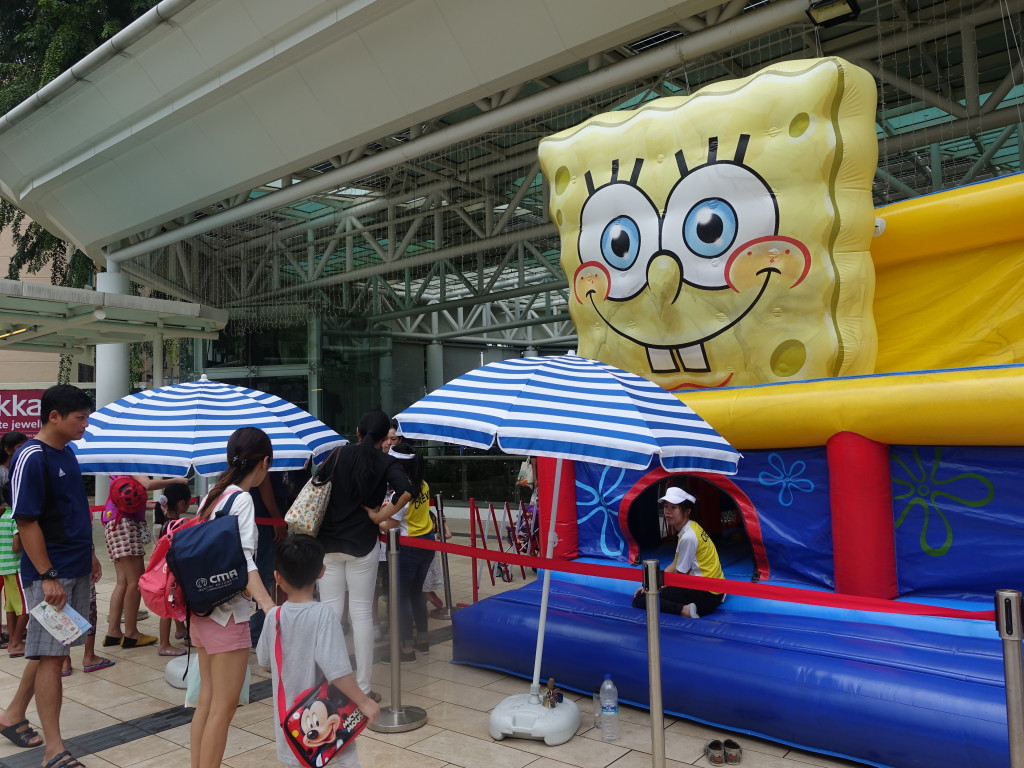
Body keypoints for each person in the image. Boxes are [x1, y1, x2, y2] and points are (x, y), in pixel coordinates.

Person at [1, 385, 101, 768]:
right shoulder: (31, 456)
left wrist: (90, 554)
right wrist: (47, 575)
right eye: (80, 418)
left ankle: (12, 715)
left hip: (73, 566)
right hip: (51, 575)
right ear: (54, 416)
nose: (85, 424)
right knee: (50, 656)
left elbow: (74, 509)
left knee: (51, 650)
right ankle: (54, 750)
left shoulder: (68, 453)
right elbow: (25, 521)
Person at [189, 427, 276, 768]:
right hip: (228, 616)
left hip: (202, 611)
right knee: (222, 710)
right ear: (265, 463)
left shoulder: (216, 493)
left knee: (207, 704)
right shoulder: (241, 498)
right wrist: (269, 606)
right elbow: (245, 562)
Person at [256, 534, 380, 768]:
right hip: (328, 732)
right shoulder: (323, 615)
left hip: (292, 730)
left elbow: (264, 661)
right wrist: (363, 701)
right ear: (322, 572)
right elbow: (337, 672)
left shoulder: (275, 616)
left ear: (277, 577)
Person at [316, 410, 413, 701]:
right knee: (360, 616)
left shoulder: (336, 455)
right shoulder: (386, 461)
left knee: (330, 614)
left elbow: (317, 484)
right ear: (386, 439)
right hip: (362, 545)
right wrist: (380, 515)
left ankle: (331, 684)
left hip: (328, 544)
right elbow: (407, 489)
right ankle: (363, 687)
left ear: (357, 432)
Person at [103, 474, 187, 649]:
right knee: (135, 582)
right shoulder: (132, 462)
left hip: (112, 521)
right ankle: (131, 633)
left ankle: (114, 632)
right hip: (125, 523)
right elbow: (147, 484)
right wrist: (174, 481)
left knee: (123, 582)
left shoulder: (117, 469)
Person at [632, 487, 725, 618]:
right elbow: (675, 564)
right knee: (648, 594)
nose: (668, 512)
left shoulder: (688, 537)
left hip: (707, 594)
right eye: (665, 507)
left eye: (673, 508)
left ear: (687, 511)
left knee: (641, 600)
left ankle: (684, 610)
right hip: (714, 588)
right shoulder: (691, 527)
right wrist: (650, 585)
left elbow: (680, 576)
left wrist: (655, 588)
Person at [380, 442, 434, 663]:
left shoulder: (401, 493)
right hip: (427, 543)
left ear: (398, 467)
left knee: (400, 598)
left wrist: (376, 518)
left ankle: (405, 649)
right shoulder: (423, 484)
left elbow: (389, 526)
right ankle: (422, 641)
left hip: (409, 546)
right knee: (416, 593)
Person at [153, 483, 191, 656]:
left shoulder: (163, 524)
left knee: (174, 601)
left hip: (167, 570)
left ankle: (181, 629)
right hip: (173, 572)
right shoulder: (178, 524)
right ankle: (164, 644)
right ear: (182, 504)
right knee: (168, 607)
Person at [0, 431, 28, 654]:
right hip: (17, 567)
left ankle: (11, 639)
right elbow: (17, 546)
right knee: (26, 606)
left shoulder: (3, 517)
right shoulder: (15, 517)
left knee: (10, 604)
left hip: (5, 567)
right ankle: (16, 642)